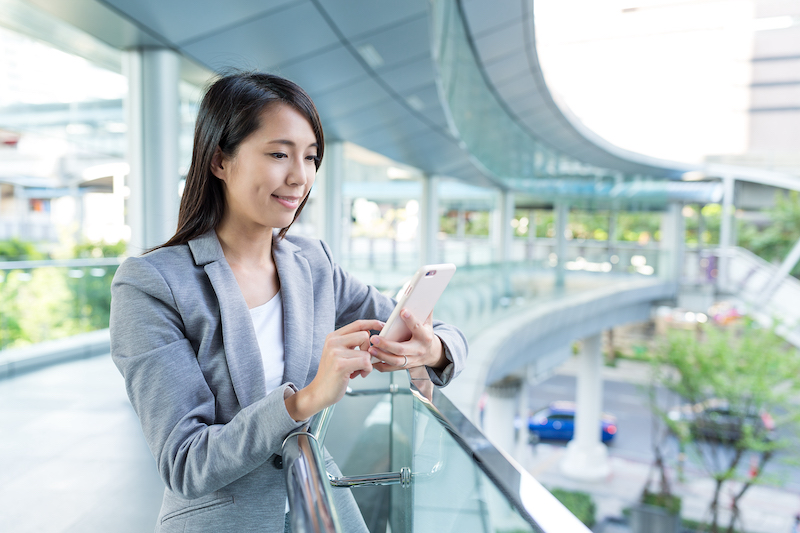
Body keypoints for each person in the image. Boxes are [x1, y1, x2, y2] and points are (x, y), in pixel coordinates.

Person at [109, 71, 467, 533]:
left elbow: (446, 335)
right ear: (220, 160)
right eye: (279, 154)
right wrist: (304, 401)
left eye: (311, 157)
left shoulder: (313, 266)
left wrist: (428, 350)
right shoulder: (152, 285)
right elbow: (186, 463)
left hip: (318, 506)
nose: (300, 177)